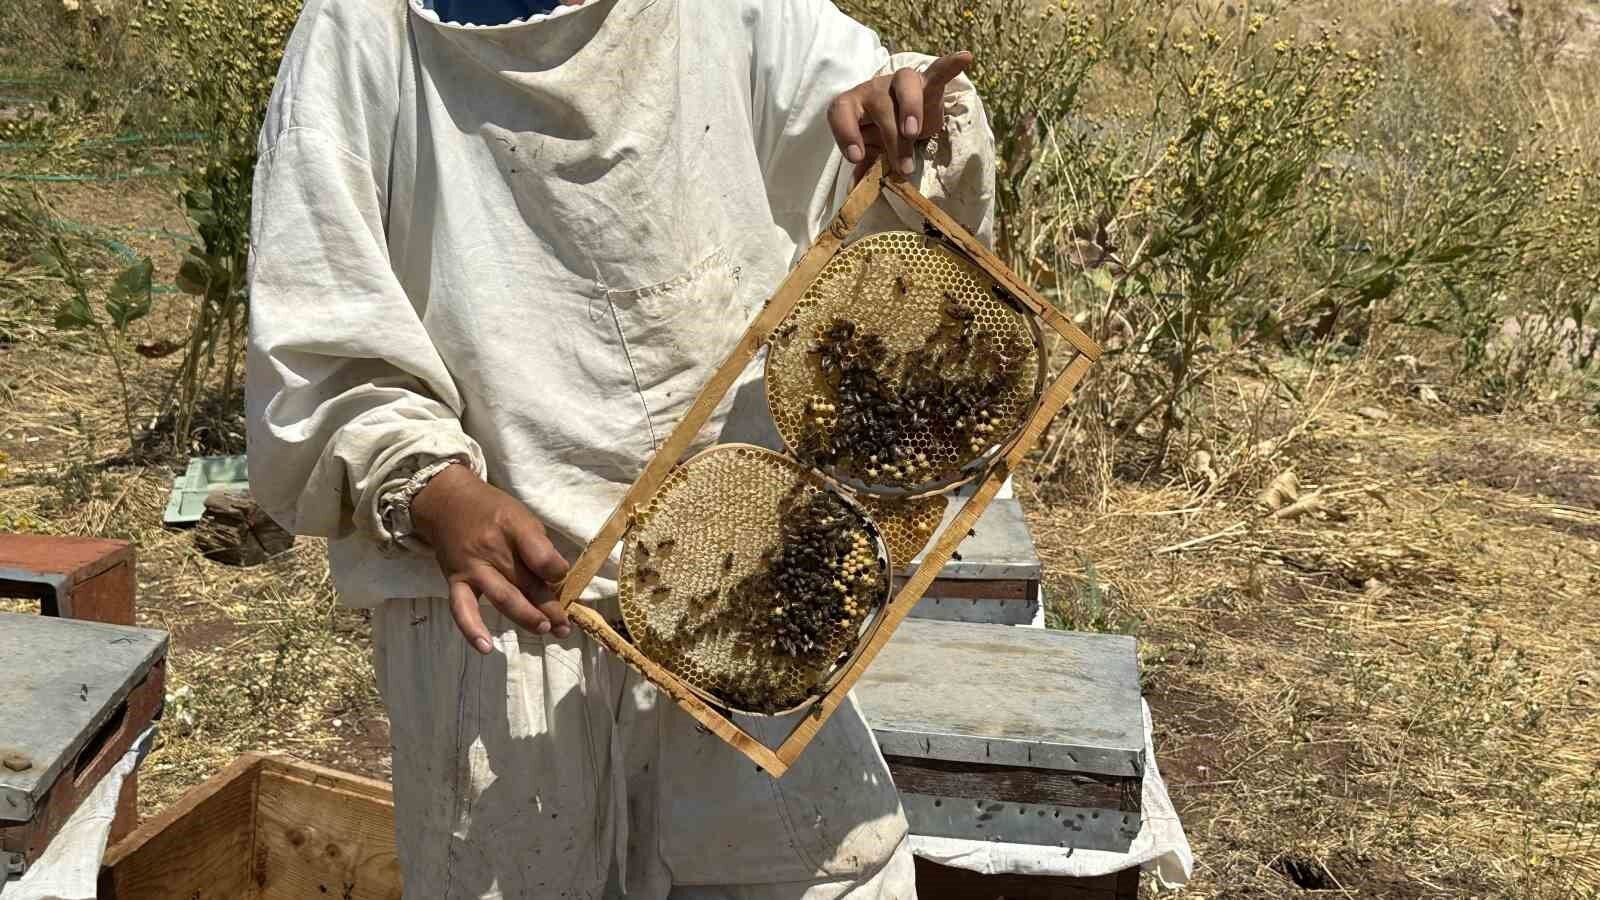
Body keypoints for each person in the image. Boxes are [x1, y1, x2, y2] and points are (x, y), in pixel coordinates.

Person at [245, 0, 995, 897]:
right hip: (507, 608)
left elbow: (863, 133)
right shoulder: (362, 32)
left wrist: (902, 118)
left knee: (821, 870)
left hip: (747, 567)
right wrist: (432, 488)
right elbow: (318, 315)